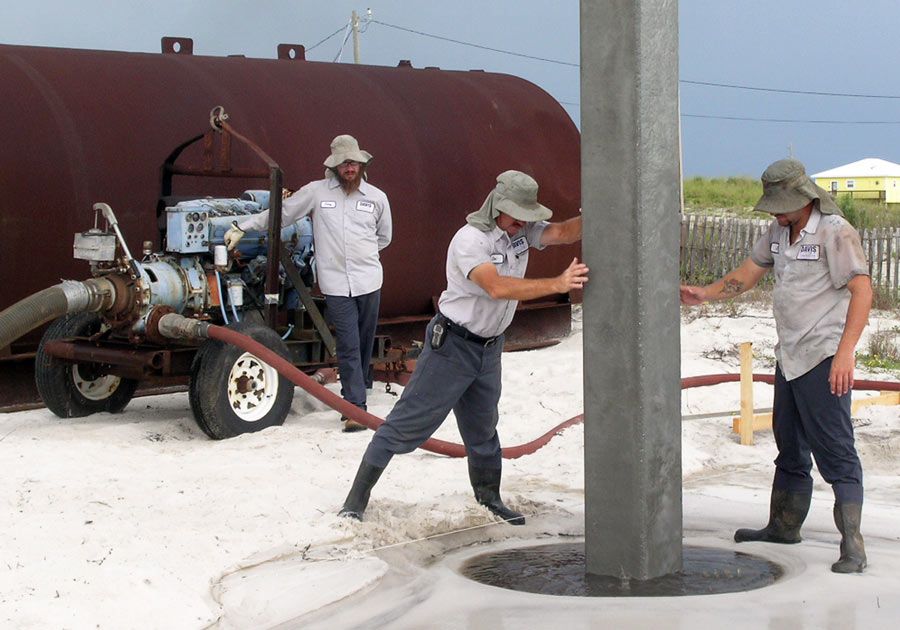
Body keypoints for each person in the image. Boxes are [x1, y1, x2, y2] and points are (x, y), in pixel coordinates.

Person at [338, 170, 587, 525]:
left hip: (489, 350)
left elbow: (563, 232)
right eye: (517, 217)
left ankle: (490, 500)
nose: (522, 225)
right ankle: (354, 502)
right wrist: (558, 283)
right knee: (405, 426)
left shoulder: (521, 230)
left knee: (483, 429)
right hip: (452, 346)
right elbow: (497, 287)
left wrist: (599, 208)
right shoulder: (471, 240)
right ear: (497, 206)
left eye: (527, 218)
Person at [680, 158, 872, 573]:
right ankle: (784, 526)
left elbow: (862, 291)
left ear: (804, 198)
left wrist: (846, 352)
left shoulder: (835, 232)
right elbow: (748, 274)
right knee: (789, 444)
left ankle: (852, 545)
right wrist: (705, 294)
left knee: (835, 448)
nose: (776, 213)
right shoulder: (778, 232)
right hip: (790, 356)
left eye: (782, 205)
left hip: (823, 356)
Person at [225, 135, 392, 432]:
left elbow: (384, 237)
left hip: (369, 279)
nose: (349, 169)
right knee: (349, 343)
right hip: (336, 282)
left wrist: (362, 255)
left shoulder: (377, 198)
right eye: (344, 164)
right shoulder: (315, 193)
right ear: (335, 166)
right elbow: (282, 214)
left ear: (362, 164)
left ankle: (361, 384)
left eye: (353, 163)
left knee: (365, 339)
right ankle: (354, 407)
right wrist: (244, 226)